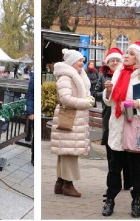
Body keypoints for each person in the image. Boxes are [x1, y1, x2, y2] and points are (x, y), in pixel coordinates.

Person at [101, 41, 140, 218]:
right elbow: (110, 101)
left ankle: (136, 201)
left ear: (138, 57)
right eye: (125, 53)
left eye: (129, 53)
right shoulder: (118, 73)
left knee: (137, 169)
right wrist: (109, 92)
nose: (125, 56)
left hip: (136, 126)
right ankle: (110, 200)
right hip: (117, 126)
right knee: (114, 168)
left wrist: (139, 104)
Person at [49, 48, 94, 198]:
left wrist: (88, 100)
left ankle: (60, 183)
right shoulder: (66, 77)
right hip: (71, 117)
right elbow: (65, 99)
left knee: (66, 150)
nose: (82, 62)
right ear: (71, 62)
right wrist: (86, 102)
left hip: (75, 118)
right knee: (69, 152)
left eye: (83, 60)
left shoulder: (77, 76)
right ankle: (68, 184)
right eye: (79, 60)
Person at [93, 48, 132, 191]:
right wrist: (106, 91)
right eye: (112, 61)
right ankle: (114, 180)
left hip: (125, 116)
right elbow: (95, 94)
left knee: (127, 148)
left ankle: (128, 181)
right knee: (111, 149)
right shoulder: (103, 76)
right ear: (107, 63)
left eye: (117, 60)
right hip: (108, 115)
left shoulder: (127, 74)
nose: (115, 62)